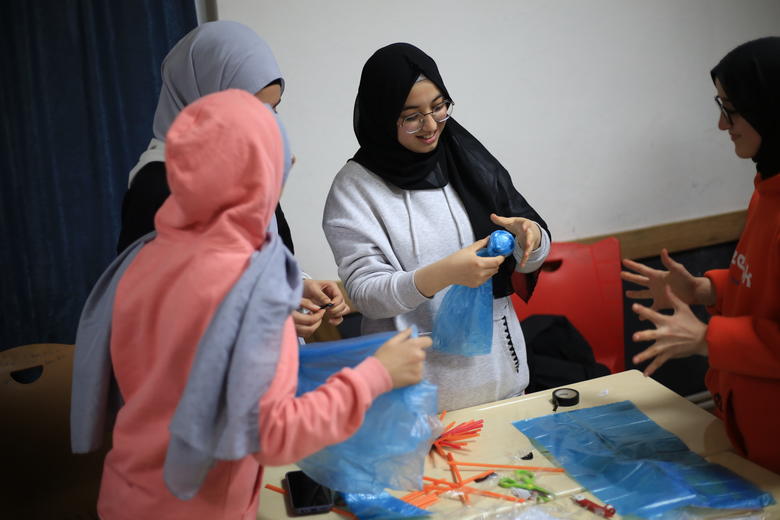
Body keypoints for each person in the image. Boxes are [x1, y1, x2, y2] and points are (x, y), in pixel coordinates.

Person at [71, 89, 431, 520]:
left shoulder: (145, 258)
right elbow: (271, 432)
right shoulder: (249, 286)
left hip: (127, 495)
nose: (290, 165)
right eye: (275, 155)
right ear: (254, 174)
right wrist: (376, 376)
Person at [323, 43, 550, 411]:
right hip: (416, 405)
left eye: (439, 107)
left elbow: (528, 245)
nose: (431, 126)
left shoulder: (466, 158)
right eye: (411, 116)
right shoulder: (356, 188)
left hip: (503, 387)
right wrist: (443, 273)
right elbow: (365, 292)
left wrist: (534, 240)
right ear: (382, 115)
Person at [117, 20, 345, 338]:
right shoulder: (159, 185)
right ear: (204, 99)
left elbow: (268, 254)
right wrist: (264, 314)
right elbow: (150, 307)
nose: (265, 125)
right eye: (252, 109)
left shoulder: (245, 164)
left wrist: (298, 284)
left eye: (273, 110)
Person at [621, 37, 780, 473]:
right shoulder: (768, 187)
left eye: (731, 108)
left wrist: (708, 338)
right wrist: (703, 288)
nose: (721, 124)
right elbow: (761, 284)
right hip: (750, 429)